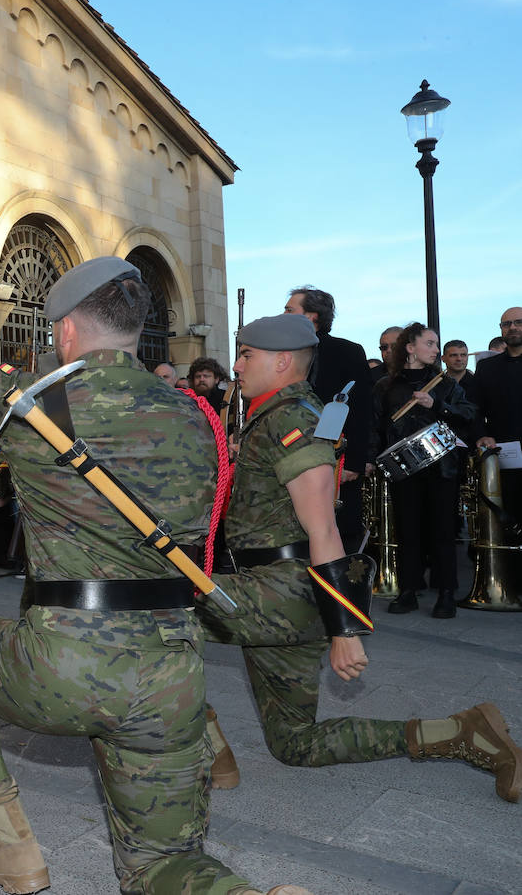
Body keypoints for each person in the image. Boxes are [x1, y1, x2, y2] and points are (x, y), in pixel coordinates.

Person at [0, 242, 300, 895]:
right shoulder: (197, 417)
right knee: (162, 869)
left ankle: (11, 850)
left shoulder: (33, 403)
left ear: (64, 329)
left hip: (63, 666)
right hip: (171, 675)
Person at [198, 314, 518, 805]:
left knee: (149, 609)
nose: (236, 365)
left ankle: (200, 738)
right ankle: (460, 732)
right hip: (273, 587)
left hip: (280, 589)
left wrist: (343, 630)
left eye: (246, 355)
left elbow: (323, 527)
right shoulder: (277, 413)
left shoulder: (293, 418)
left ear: (282, 361)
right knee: (294, 744)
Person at [369, 323, 476, 617]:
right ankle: (408, 590)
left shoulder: (446, 385)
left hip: (442, 468)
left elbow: (468, 415)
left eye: (436, 344)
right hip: (405, 470)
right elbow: (375, 426)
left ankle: (446, 593)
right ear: (410, 347)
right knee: (408, 530)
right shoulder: (386, 385)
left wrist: (437, 404)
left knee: (443, 530)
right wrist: (369, 458)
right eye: (429, 343)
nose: (435, 350)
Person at [283, 287, 373, 552]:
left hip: (337, 460)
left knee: (338, 537)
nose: (283, 314)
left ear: (311, 316)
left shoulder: (348, 351)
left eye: (289, 310)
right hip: (292, 459)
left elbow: (361, 410)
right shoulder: (282, 355)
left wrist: (354, 462)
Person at [472, 308, 522, 521]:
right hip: (503, 456)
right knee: (507, 522)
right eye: (506, 324)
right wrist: (481, 434)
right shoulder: (487, 368)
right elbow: (474, 409)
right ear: (501, 329)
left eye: (518, 322)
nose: (512, 327)